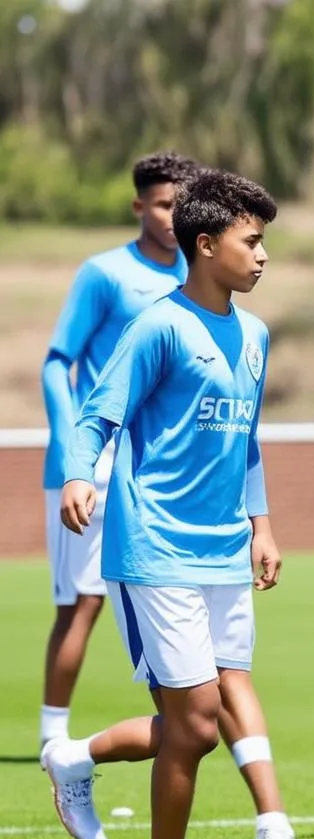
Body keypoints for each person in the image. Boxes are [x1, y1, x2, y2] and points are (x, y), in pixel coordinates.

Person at [44, 169, 296, 839]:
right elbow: (97, 415)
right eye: (252, 242)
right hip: (154, 549)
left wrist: (262, 524)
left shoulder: (253, 335)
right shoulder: (157, 325)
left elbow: (245, 441)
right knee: (194, 724)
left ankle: (76, 756)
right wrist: (81, 477)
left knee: (200, 718)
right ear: (207, 243)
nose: (262, 257)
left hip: (225, 553)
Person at [40, 152, 197, 751]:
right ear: (139, 207)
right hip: (93, 461)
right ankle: (53, 736)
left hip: (154, 469)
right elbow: (59, 361)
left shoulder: (201, 274)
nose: (171, 215)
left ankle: (180, 719)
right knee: (82, 602)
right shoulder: (105, 274)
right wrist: (69, 439)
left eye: (181, 204)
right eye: (161, 203)